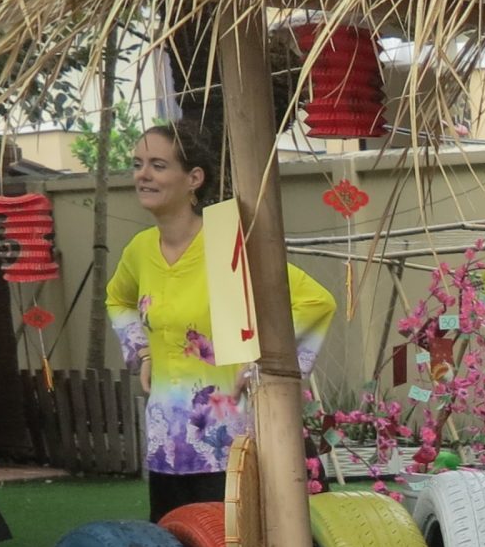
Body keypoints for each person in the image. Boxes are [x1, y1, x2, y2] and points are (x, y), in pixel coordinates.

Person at [106, 121, 335, 520]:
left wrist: (262, 361)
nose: (143, 174)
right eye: (138, 164)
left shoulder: (229, 244)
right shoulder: (139, 251)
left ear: (194, 178)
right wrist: (142, 352)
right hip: (167, 445)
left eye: (158, 165)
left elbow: (316, 302)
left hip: (230, 441)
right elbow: (117, 299)